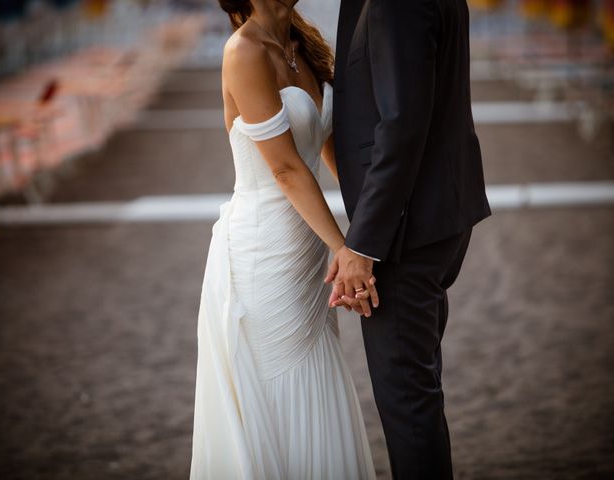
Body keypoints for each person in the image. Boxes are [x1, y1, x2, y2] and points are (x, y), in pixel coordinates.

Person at [189, 1, 376, 478]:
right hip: (261, 254)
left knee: (314, 378)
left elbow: (330, 148)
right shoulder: (244, 51)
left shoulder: (303, 45)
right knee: (276, 389)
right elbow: (286, 168)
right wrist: (343, 248)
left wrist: (361, 239)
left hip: (308, 250)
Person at [329, 0, 492, 479]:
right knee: (418, 392)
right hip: (437, 218)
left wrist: (363, 246)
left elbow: (400, 123)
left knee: (407, 407)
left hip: (404, 235)